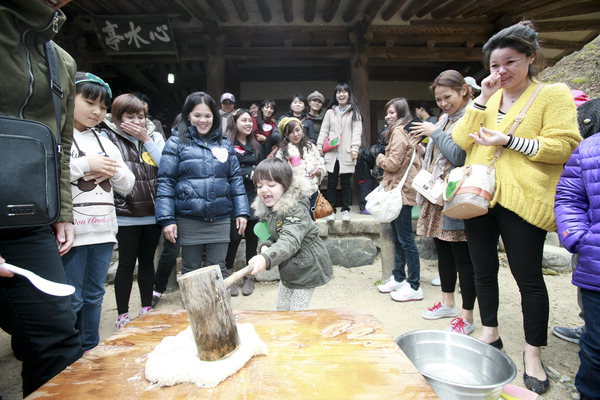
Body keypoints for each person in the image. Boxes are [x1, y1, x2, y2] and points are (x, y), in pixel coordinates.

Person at [452, 21, 581, 394]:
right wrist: (479, 99)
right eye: (494, 65)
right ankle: (490, 333)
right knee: (482, 270)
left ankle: (532, 353)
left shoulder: (552, 94)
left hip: (524, 199)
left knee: (529, 279)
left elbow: (564, 145)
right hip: (480, 195)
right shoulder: (489, 98)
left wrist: (508, 140)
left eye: (509, 62)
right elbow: (460, 139)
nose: (501, 71)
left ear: (530, 58)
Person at [0, 0, 83, 395]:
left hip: (27, 215)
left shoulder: (61, 60)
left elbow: (60, 144)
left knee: (56, 335)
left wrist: (61, 209)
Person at [62, 72, 135, 350]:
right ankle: (69, 352)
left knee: (94, 295)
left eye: (103, 107)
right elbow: (51, 173)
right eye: (89, 102)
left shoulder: (106, 140)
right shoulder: (59, 134)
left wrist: (109, 169)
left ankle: (91, 347)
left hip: (103, 230)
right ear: (70, 98)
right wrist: (87, 164)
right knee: (72, 299)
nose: (96, 111)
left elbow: (128, 183)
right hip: (72, 233)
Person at [409, 71, 477, 335]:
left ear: (463, 90)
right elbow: (440, 156)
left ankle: (467, 316)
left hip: (457, 195)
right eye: (438, 99)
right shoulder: (445, 118)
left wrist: (435, 132)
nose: (443, 103)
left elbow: (459, 155)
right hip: (437, 194)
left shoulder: (471, 116)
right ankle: (448, 302)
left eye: (447, 97)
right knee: (443, 252)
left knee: (463, 258)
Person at [155, 92, 249, 283]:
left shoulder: (224, 143)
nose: (203, 120)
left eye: (208, 115)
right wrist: (167, 219)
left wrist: (242, 212)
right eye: (197, 115)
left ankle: (218, 311)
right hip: (189, 217)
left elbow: (235, 179)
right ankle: (193, 311)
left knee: (219, 268)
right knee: (191, 269)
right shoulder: (175, 142)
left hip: (221, 216)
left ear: (215, 116)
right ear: (188, 115)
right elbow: (166, 181)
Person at [100, 93, 165, 329]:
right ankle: (122, 314)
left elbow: (166, 165)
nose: (137, 121)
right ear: (117, 117)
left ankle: (146, 308)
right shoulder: (106, 136)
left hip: (153, 211)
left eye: (141, 116)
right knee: (126, 264)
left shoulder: (154, 135)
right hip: (125, 212)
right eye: (130, 116)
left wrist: (146, 139)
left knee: (147, 261)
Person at [247, 158, 332, 310]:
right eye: (260, 186)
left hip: (307, 267)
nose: (264, 190)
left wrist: (266, 258)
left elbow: (290, 240)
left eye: (271, 185)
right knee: (282, 307)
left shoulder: (296, 208)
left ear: (285, 185)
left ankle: (299, 334)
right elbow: (265, 233)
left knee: (296, 311)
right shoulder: (267, 208)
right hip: (289, 268)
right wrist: (265, 247)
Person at [554, 119, 600, 400]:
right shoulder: (589, 148)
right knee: (595, 348)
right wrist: (577, 238)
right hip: (596, 263)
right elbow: (569, 197)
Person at [374, 98, 423, 302]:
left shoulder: (398, 132)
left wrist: (378, 158)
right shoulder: (404, 131)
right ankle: (399, 277)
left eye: (392, 113)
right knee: (399, 238)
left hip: (400, 192)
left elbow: (392, 164)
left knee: (406, 240)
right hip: (399, 190)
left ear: (402, 113)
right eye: (387, 113)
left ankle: (414, 285)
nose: (388, 116)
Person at [224, 109, 264, 296]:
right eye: (244, 120)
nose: (248, 124)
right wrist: (248, 172)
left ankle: (250, 277)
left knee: (252, 238)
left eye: (250, 120)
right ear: (235, 122)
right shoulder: (226, 143)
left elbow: (261, 168)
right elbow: (226, 170)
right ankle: (229, 275)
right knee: (234, 238)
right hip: (233, 197)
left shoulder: (255, 145)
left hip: (253, 197)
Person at [317, 83, 363, 222]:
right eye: (338, 92)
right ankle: (330, 211)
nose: (341, 94)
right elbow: (324, 130)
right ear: (335, 95)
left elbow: (357, 132)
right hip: (331, 153)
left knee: (346, 183)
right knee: (331, 183)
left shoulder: (354, 111)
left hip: (347, 153)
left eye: (344, 92)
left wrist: (355, 148)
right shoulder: (330, 112)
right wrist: (319, 146)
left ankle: (345, 210)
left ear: (349, 94)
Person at [275, 117, 326, 215]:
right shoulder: (282, 152)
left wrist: (318, 171)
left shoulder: (311, 147)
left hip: (312, 192)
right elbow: (278, 173)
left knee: (311, 222)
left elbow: (321, 165)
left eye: (297, 130)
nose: (295, 134)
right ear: (286, 135)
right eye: (291, 132)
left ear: (302, 130)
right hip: (292, 195)